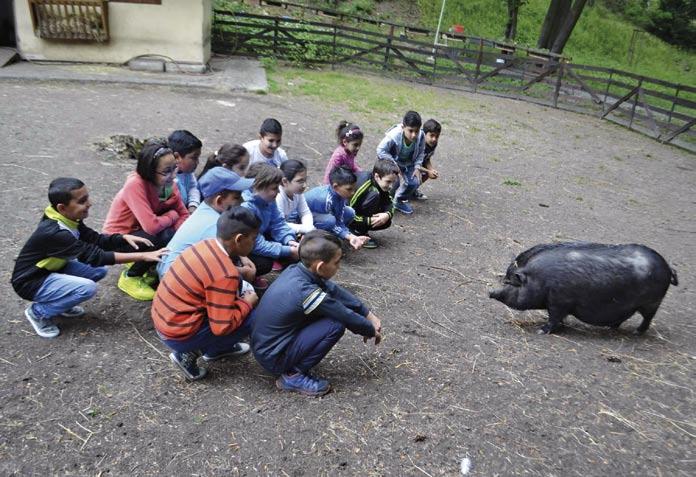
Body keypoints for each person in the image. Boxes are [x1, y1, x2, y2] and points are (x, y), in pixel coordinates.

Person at [12, 178, 166, 339]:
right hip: (30, 282)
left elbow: (97, 240)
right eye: (82, 201)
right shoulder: (55, 233)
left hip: (52, 269)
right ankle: (38, 313)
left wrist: (123, 238)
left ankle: (61, 303)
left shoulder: (66, 218)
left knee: (97, 271)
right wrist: (143, 255)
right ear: (62, 208)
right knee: (87, 288)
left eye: (87, 197)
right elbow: (95, 256)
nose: (90, 203)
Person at [251, 230, 382, 396]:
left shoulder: (296, 270)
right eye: (336, 262)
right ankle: (293, 375)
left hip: (265, 347)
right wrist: (369, 330)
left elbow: (333, 290)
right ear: (320, 266)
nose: (338, 267)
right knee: (334, 324)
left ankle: (293, 362)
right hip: (273, 356)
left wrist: (367, 313)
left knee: (325, 313)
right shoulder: (306, 292)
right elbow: (342, 314)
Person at [152, 206, 260, 381]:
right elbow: (221, 327)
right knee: (252, 317)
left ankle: (217, 349)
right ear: (239, 239)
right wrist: (247, 303)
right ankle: (187, 355)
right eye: (253, 239)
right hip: (177, 332)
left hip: (166, 317)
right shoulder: (224, 273)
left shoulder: (207, 244)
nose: (254, 243)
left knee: (238, 286)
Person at [103, 140, 189, 301]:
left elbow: (183, 214)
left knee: (172, 234)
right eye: (166, 171)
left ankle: (146, 264)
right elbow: (152, 227)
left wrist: (178, 233)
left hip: (141, 233)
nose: (173, 175)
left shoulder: (169, 185)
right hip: (119, 239)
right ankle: (131, 276)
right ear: (150, 171)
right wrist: (172, 216)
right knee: (165, 235)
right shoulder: (135, 185)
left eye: (174, 168)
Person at [156, 167, 255, 279]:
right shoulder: (214, 226)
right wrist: (243, 272)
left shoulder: (206, 208)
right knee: (234, 278)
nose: (242, 201)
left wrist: (243, 258)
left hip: (172, 270)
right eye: (237, 197)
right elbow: (216, 266)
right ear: (219, 200)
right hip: (174, 277)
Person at [241, 164, 299, 284]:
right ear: (257, 187)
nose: (278, 192)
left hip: (258, 237)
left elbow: (278, 223)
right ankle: (246, 280)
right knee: (264, 263)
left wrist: (289, 240)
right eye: (274, 188)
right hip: (245, 246)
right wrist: (288, 250)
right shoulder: (246, 207)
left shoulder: (268, 200)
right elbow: (256, 244)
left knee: (295, 247)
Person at [305, 166, 369, 250]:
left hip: (321, 217)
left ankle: (333, 236)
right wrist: (347, 235)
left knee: (350, 212)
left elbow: (340, 218)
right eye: (349, 189)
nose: (353, 192)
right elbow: (332, 223)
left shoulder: (340, 194)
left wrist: (350, 236)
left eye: (354, 188)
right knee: (330, 221)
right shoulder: (326, 200)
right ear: (335, 186)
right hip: (304, 219)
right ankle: (318, 240)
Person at [376, 110, 426, 215]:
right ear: (403, 127)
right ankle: (383, 202)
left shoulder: (421, 136)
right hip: (393, 161)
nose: (413, 135)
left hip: (408, 163)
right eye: (410, 131)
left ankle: (398, 200)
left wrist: (417, 167)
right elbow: (380, 150)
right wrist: (393, 164)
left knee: (415, 182)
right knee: (394, 182)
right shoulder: (394, 136)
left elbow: (421, 152)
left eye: (416, 131)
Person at [348, 159, 399, 249]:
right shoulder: (363, 186)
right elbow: (347, 212)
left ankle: (361, 228)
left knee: (386, 221)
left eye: (392, 182)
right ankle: (356, 231)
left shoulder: (380, 183)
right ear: (377, 176)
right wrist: (369, 221)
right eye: (388, 182)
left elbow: (389, 202)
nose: (391, 186)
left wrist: (387, 214)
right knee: (374, 195)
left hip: (358, 212)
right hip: (346, 216)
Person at [276, 159, 314, 235]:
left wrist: (309, 227)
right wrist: (304, 229)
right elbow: (279, 224)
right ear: (285, 181)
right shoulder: (278, 196)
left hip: (290, 219)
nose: (304, 185)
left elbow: (305, 212)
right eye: (300, 181)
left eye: (305, 180)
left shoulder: (297, 192)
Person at [168, 130, 203, 213]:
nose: (197, 162)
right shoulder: (167, 178)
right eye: (194, 158)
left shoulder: (188, 172)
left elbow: (193, 187)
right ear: (177, 157)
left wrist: (193, 205)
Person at [414, 118, 441, 200]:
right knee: (416, 176)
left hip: (419, 165)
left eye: (437, 136)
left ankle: (412, 191)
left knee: (426, 174)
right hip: (410, 165)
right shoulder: (418, 143)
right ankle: (402, 194)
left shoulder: (433, 144)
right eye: (432, 135)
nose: (434, 139)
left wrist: (431, 170)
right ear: (424, 134)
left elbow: (427, 159)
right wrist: (428, 171)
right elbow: (413, 163)